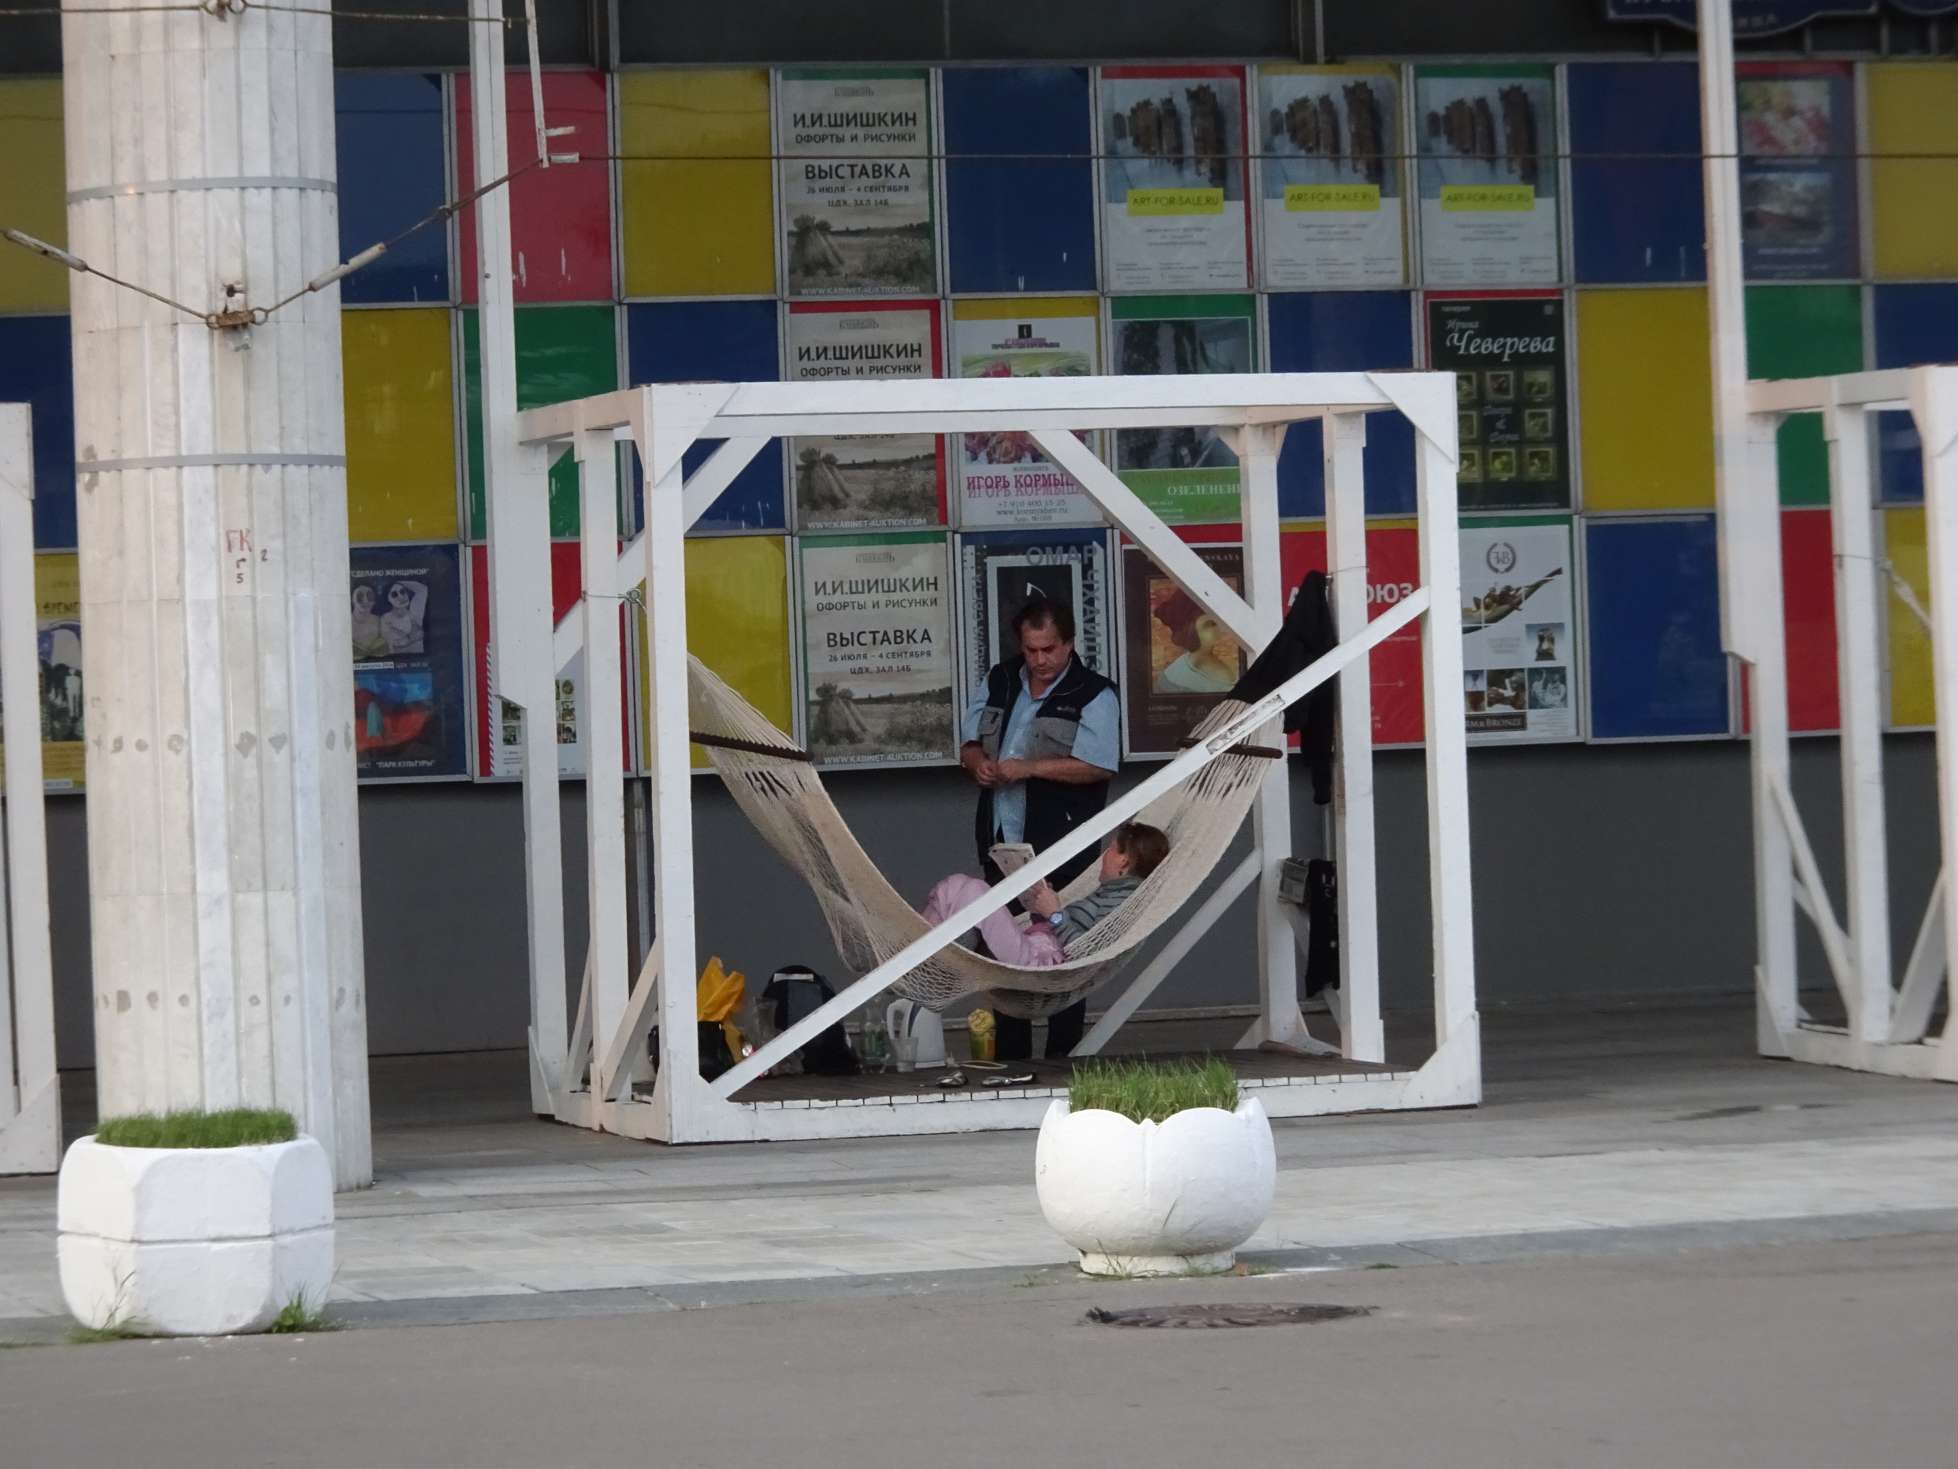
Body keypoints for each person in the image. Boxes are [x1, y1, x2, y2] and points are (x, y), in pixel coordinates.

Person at [959, 595, 1120, 1059]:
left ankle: (1062, 1060)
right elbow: (969, 744)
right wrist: (980, 766)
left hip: (1065, 849)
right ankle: (1011, 1059)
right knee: (1005, 947)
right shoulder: (999, 679)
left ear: (1069, 643)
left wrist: (1028, 768)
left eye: (1049, 649)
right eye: (1031, 650)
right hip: (1001, 845)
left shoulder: (1095, 693)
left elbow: (1099, 766)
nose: (1040, 660)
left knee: (1063, 950)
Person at [919, 823, 1171, 969]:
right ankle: (925, 951)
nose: (1104, 854)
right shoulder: (1111, 892)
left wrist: (1055, 914)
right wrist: (1041, 905)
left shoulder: (1121, 902)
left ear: (1123, 862)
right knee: (958, 883)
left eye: (1111, 849)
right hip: (1035, 946)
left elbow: (1089, 950)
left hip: (1039, 962)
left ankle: (924, 957)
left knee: (976, 890)